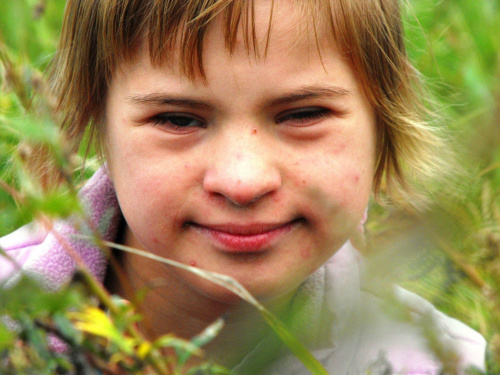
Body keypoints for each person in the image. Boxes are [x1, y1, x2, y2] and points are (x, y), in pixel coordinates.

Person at [0, 0, 486, 373]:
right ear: (93, 120)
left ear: (385, 119)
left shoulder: (431, 361)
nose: (242, 181)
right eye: (177, 119)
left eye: (303, 114)